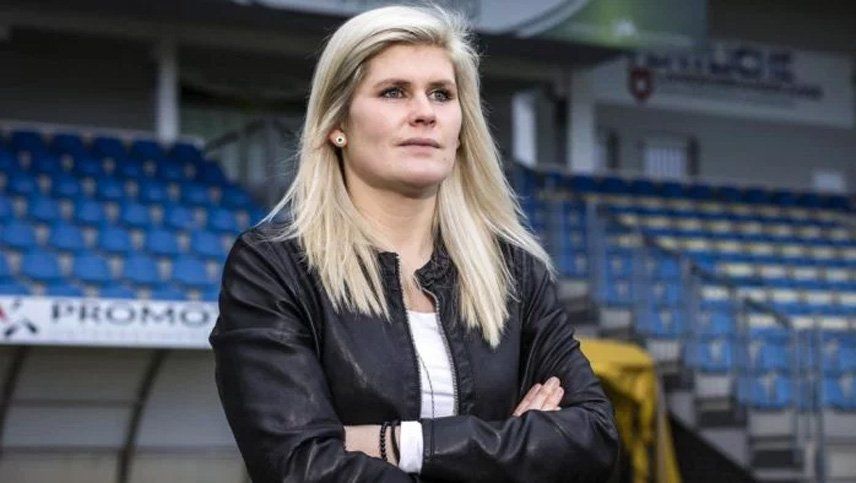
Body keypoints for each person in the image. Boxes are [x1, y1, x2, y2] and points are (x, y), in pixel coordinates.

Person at [209, 4, 619, 482]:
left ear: (462, 127)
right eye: (394, 92)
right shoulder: (274, 267)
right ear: (337, 124)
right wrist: (511, 443)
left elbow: (592, 437)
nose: (424, 113)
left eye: (441, 94)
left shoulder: (514, 271)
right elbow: (299, 464)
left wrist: (397, 443)